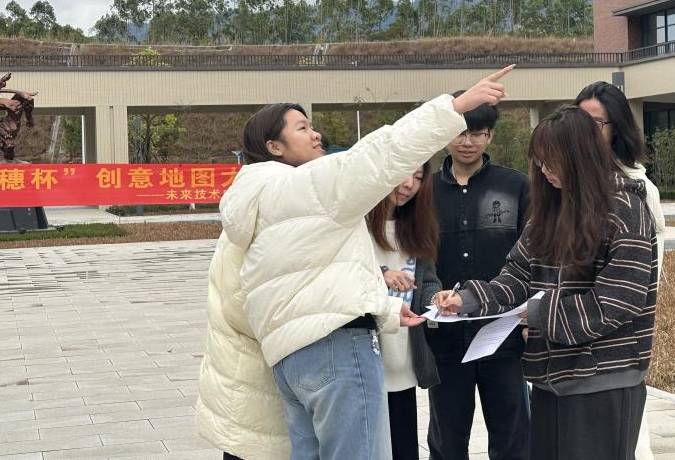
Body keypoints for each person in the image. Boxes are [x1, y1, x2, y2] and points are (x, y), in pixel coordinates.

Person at [196, 66, 514, 460]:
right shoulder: (307, 186)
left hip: (290, 359)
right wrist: (455, 107)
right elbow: (381, 153)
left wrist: (384, 308)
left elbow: (303, 283)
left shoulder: (256, 200)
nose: (316, 135)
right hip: (336, 348)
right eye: (302, 128)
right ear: (274, 146)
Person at [435, 105, 659, 460]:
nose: (545, 171)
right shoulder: (550, 211)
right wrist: (468, 299)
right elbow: (517, 275)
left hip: (603, 378)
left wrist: (539, 312)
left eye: (552, 162)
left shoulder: (624, 208)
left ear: (579, 156)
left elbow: (620, 299)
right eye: (540, 163)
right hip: (549, 378)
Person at [424, 96, 530, 460]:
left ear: (490, 136)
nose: (467, 142)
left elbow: (535, 256)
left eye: (477, 133)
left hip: (503, 334)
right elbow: (417, 258)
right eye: (459, 133)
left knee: (513, 437)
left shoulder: (516, 186)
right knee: (447, 442)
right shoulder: (425, 192)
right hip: (445, 338)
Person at [574, 81, 667, 460]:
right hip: (567, 333)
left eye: (596, 124)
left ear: (618, 128)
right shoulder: (564, 181)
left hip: (615, 341)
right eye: (579, 122)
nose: (585, 133)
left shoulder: (638, 189)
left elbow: (641, 284)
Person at [366, 164, 442, 460]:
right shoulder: (355, 225)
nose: (409, 184)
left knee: (404, 448)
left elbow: (427, 280)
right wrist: (381, 274)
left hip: (404, 359)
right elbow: (340, 276)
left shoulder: (417, 225)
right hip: (366, 360)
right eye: (403, 173)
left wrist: (437, 298)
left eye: (419, 178)